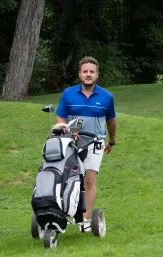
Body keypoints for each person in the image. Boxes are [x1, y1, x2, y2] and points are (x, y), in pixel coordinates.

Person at [55, 56, 117, 231]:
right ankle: (65, 210)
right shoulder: (68, 93)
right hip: (72, 141)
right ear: (79, 74)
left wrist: (112, 141)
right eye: (85, 71)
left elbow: (111, 121)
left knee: (89, 178)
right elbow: (61, 116)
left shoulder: (106, 97)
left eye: (91, 72)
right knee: (69, 177)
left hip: (95, 142)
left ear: (97, 75)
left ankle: (84, 220)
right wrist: (62, 130)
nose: (88, 74)